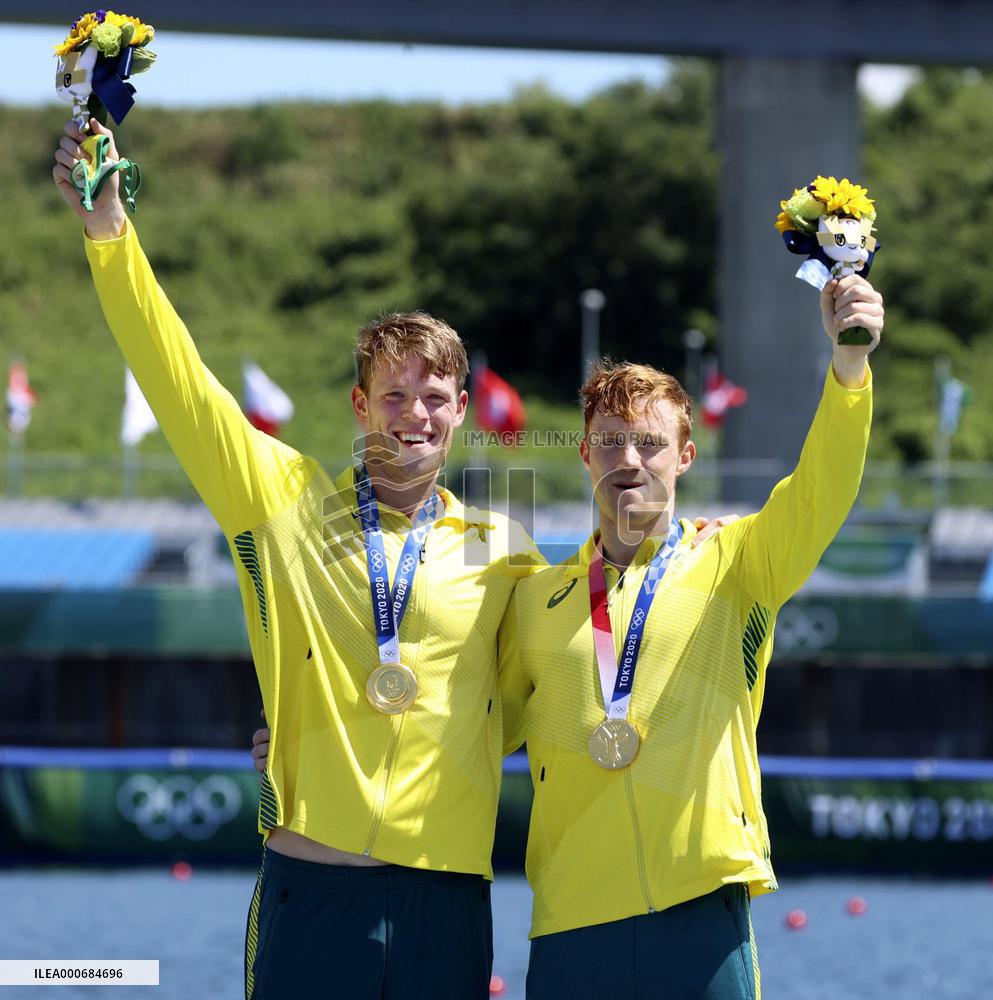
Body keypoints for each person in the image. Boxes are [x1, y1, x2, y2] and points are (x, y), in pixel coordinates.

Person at [53, 117, 547, 1000]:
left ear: (462, 410)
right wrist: (110, 236)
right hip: (314, 886)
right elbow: (178, 379)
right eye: (392, 393)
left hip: (449, 894)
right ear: (360, 405)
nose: (414, 414)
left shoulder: (502, 547)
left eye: (434, 396)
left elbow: (517, 711)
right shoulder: (282, 499)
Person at [497, 274, 882, 999]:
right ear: (584, 455)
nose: (628, 461)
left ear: (684, 457)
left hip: (700, 915)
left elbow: (820, 489)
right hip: (570, 925)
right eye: (609, 443)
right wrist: (300, 739)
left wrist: (849, 367)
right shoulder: (535, 601)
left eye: (648, 442)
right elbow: (468, 727)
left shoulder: (737, 563)